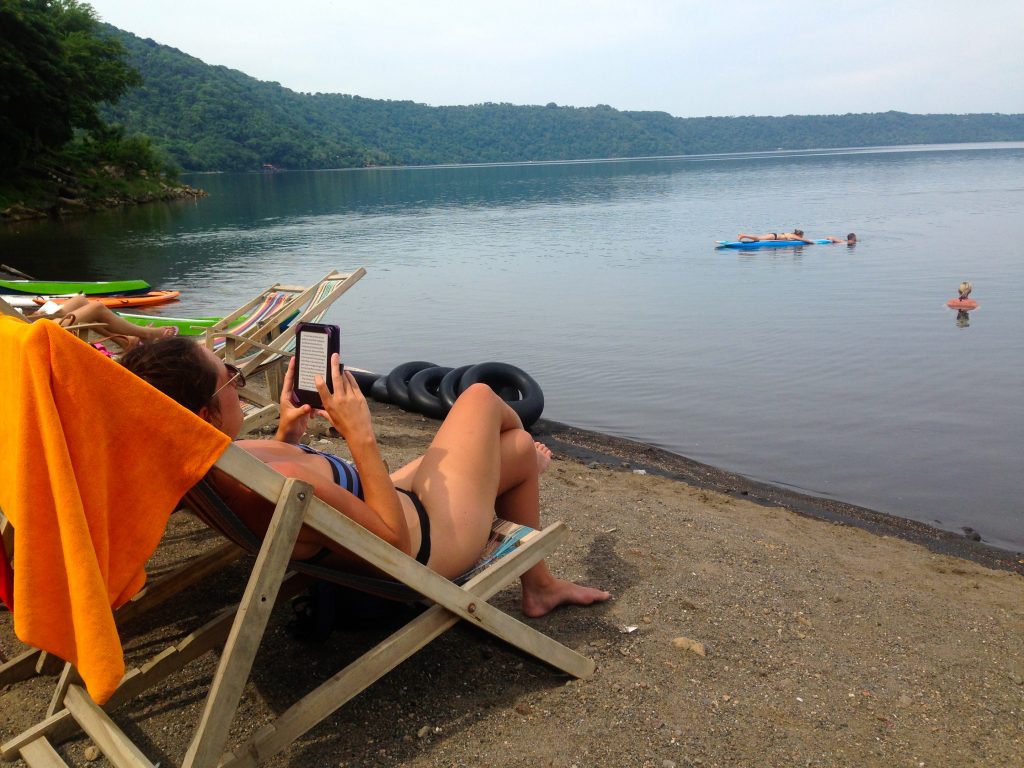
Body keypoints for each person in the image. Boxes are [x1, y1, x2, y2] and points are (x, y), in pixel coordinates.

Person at [121, 338, 611, 618]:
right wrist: (360, 435)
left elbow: (283, 496)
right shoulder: (275, 480)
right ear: (207, 411)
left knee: (519, 449)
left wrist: (288, 431)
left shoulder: (201, 462)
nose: (237, 378)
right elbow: (393, 542)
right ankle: (526, 500)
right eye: (230, 376)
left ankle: (538, 578)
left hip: (390, 505)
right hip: (425, 543)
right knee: (481, 397)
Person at [29, 294, 177, 350]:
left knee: (81, 301)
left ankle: (126, 341)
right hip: (34, 332)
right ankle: (148, 333)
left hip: (27, 323)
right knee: (97, 308)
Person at [736, 229, 814, 244]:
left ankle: (743, 236)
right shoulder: (794, 236)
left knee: (757, 239)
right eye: (802, 235)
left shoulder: (791, 235)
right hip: (774, 237)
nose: (802, 237)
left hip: (774, 235)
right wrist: (812, 242)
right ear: (799, 234)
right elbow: (804, 240)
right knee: (758, 239)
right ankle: (743, 235)